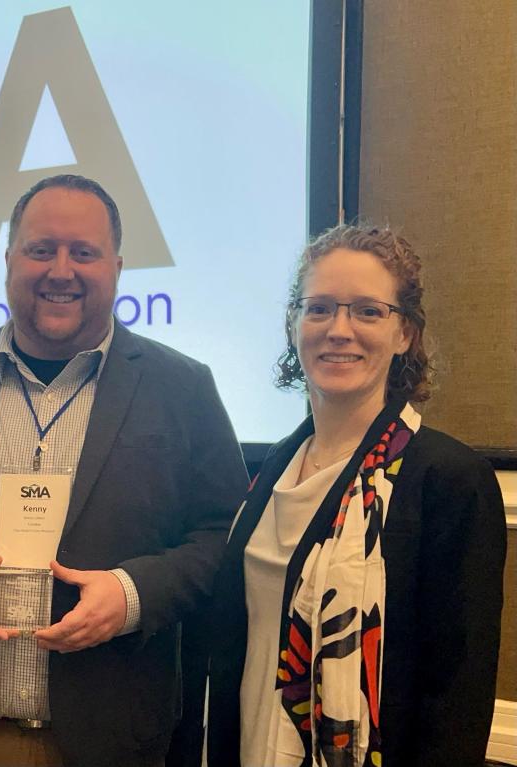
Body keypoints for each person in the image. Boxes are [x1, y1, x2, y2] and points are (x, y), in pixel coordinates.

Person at [0, 174, 248, 767]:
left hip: (114, 741)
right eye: (41, 250)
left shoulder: (181, 387)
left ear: (117, 266)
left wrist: (132, 595)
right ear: (9, 261)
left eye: (84, 252)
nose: (62, 271)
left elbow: (225, 536)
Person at [206, 225, 506, 767]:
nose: (338, 330)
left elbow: (456, 702)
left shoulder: (448, 480)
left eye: (368, 311)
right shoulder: (274, 465)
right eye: (319, 308)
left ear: (405, 333)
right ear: (294, 325)